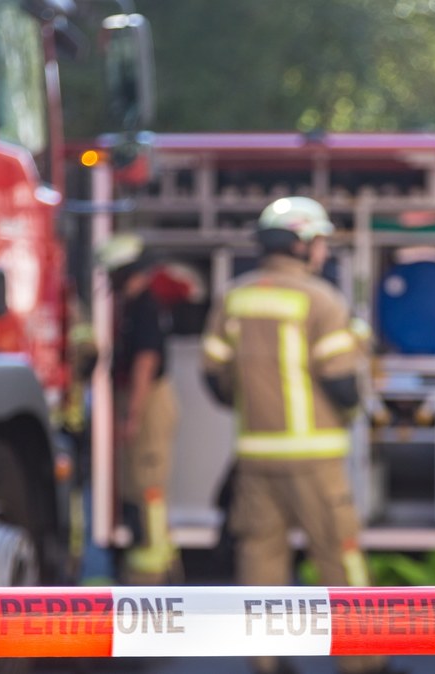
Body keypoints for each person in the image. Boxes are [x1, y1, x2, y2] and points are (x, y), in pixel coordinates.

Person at [201, 196, 391, 674]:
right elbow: (342, 381)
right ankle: (362, 663)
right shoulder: (321, 300)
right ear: (302, 243)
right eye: (321, 242)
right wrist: (355, 410)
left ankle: (265, 661)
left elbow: (214, 376)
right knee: (338, 557)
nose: (324, 252)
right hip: (316, 460)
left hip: (255, 457)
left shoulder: (234, 296)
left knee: (260, 559)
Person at [96, 233, 181, 585]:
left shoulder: (145, 305)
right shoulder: (137, 304)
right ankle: (161, 564)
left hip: (147, 401)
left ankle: (150, 576)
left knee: (148, 486)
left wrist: (133, 415)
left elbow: (145, 363)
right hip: (143, 399)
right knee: (140, 484)